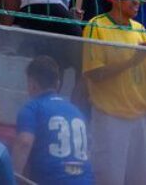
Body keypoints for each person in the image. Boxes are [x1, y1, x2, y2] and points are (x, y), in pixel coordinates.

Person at [83, 0, 146, 185]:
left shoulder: (140, 29)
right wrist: (131, 61)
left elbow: (145, 79)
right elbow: (94, 74)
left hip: (140, 117)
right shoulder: (96, 26)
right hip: (110, 117)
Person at [13, 56, 92, 184]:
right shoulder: (76, 111)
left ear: (31, 84)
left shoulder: (32, 108)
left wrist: (11, 179)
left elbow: (24, 143)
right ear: (58, 84)